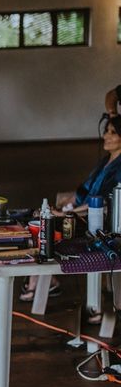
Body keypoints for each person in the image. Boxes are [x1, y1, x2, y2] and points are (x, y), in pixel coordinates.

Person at [21, 115, 121, 308]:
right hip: (79, 212)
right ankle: (44, 279)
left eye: (113, 132)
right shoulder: (105, 162)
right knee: (38, 219)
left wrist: (68, 214)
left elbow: (101, 203)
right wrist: (66, 204)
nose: (105, 136)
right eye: (106, 131)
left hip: (96, 220)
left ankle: (39, 280)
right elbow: (84, 191)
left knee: (48, 227)